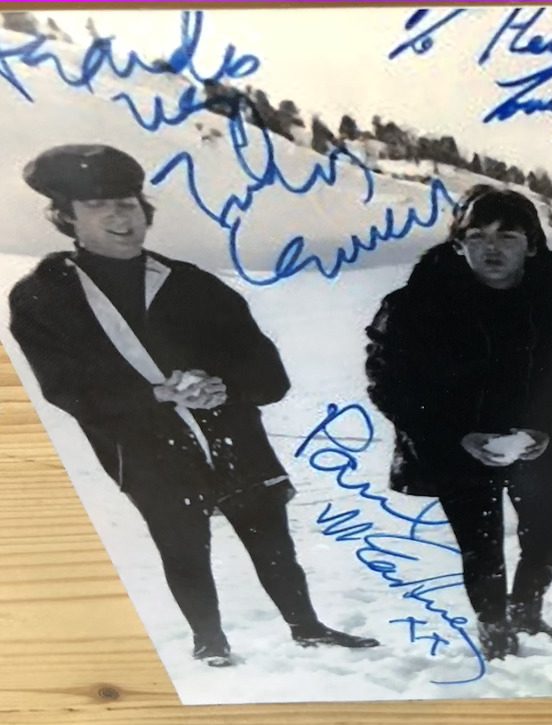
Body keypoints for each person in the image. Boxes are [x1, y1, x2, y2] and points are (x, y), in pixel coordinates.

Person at [8, 145, 379, 668]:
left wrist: (223, 387)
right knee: (181, 547)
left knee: (272, 540)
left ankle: (308, 627)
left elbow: (268, 374)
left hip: (235, 439)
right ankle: (210, 642)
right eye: (98, 206)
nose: (120, 217)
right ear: (66, 217)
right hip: (143, 450)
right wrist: (157, 394)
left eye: (127, 203)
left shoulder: (193, 284)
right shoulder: (44, 297)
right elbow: (65, 390)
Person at [365, 185, 552, 660]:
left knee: (544, 541)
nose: (491, 248)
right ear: (458, 245)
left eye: (507, 236)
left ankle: (527, 611)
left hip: (543, 447)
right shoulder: (414, 307)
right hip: (456, 448)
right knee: (480, 548)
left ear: (532, 245)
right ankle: (494, 626)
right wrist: (455, 435)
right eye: (476, 236)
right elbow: (390, 384)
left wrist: (551, 433)